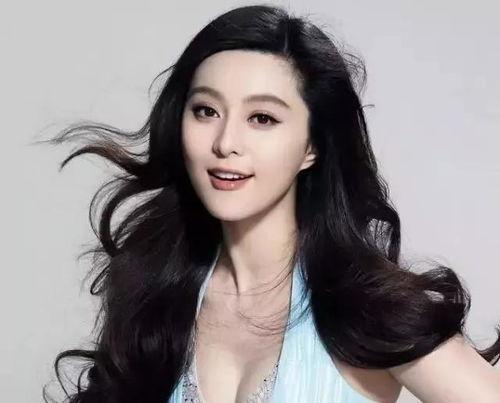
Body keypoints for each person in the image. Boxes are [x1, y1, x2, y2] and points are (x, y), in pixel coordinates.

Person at [43, 4, 500, 403]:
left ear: (311, 147)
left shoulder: (364, 305)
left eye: (262, 118)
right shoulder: (154, 295)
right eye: (206, 111)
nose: (226, 142)